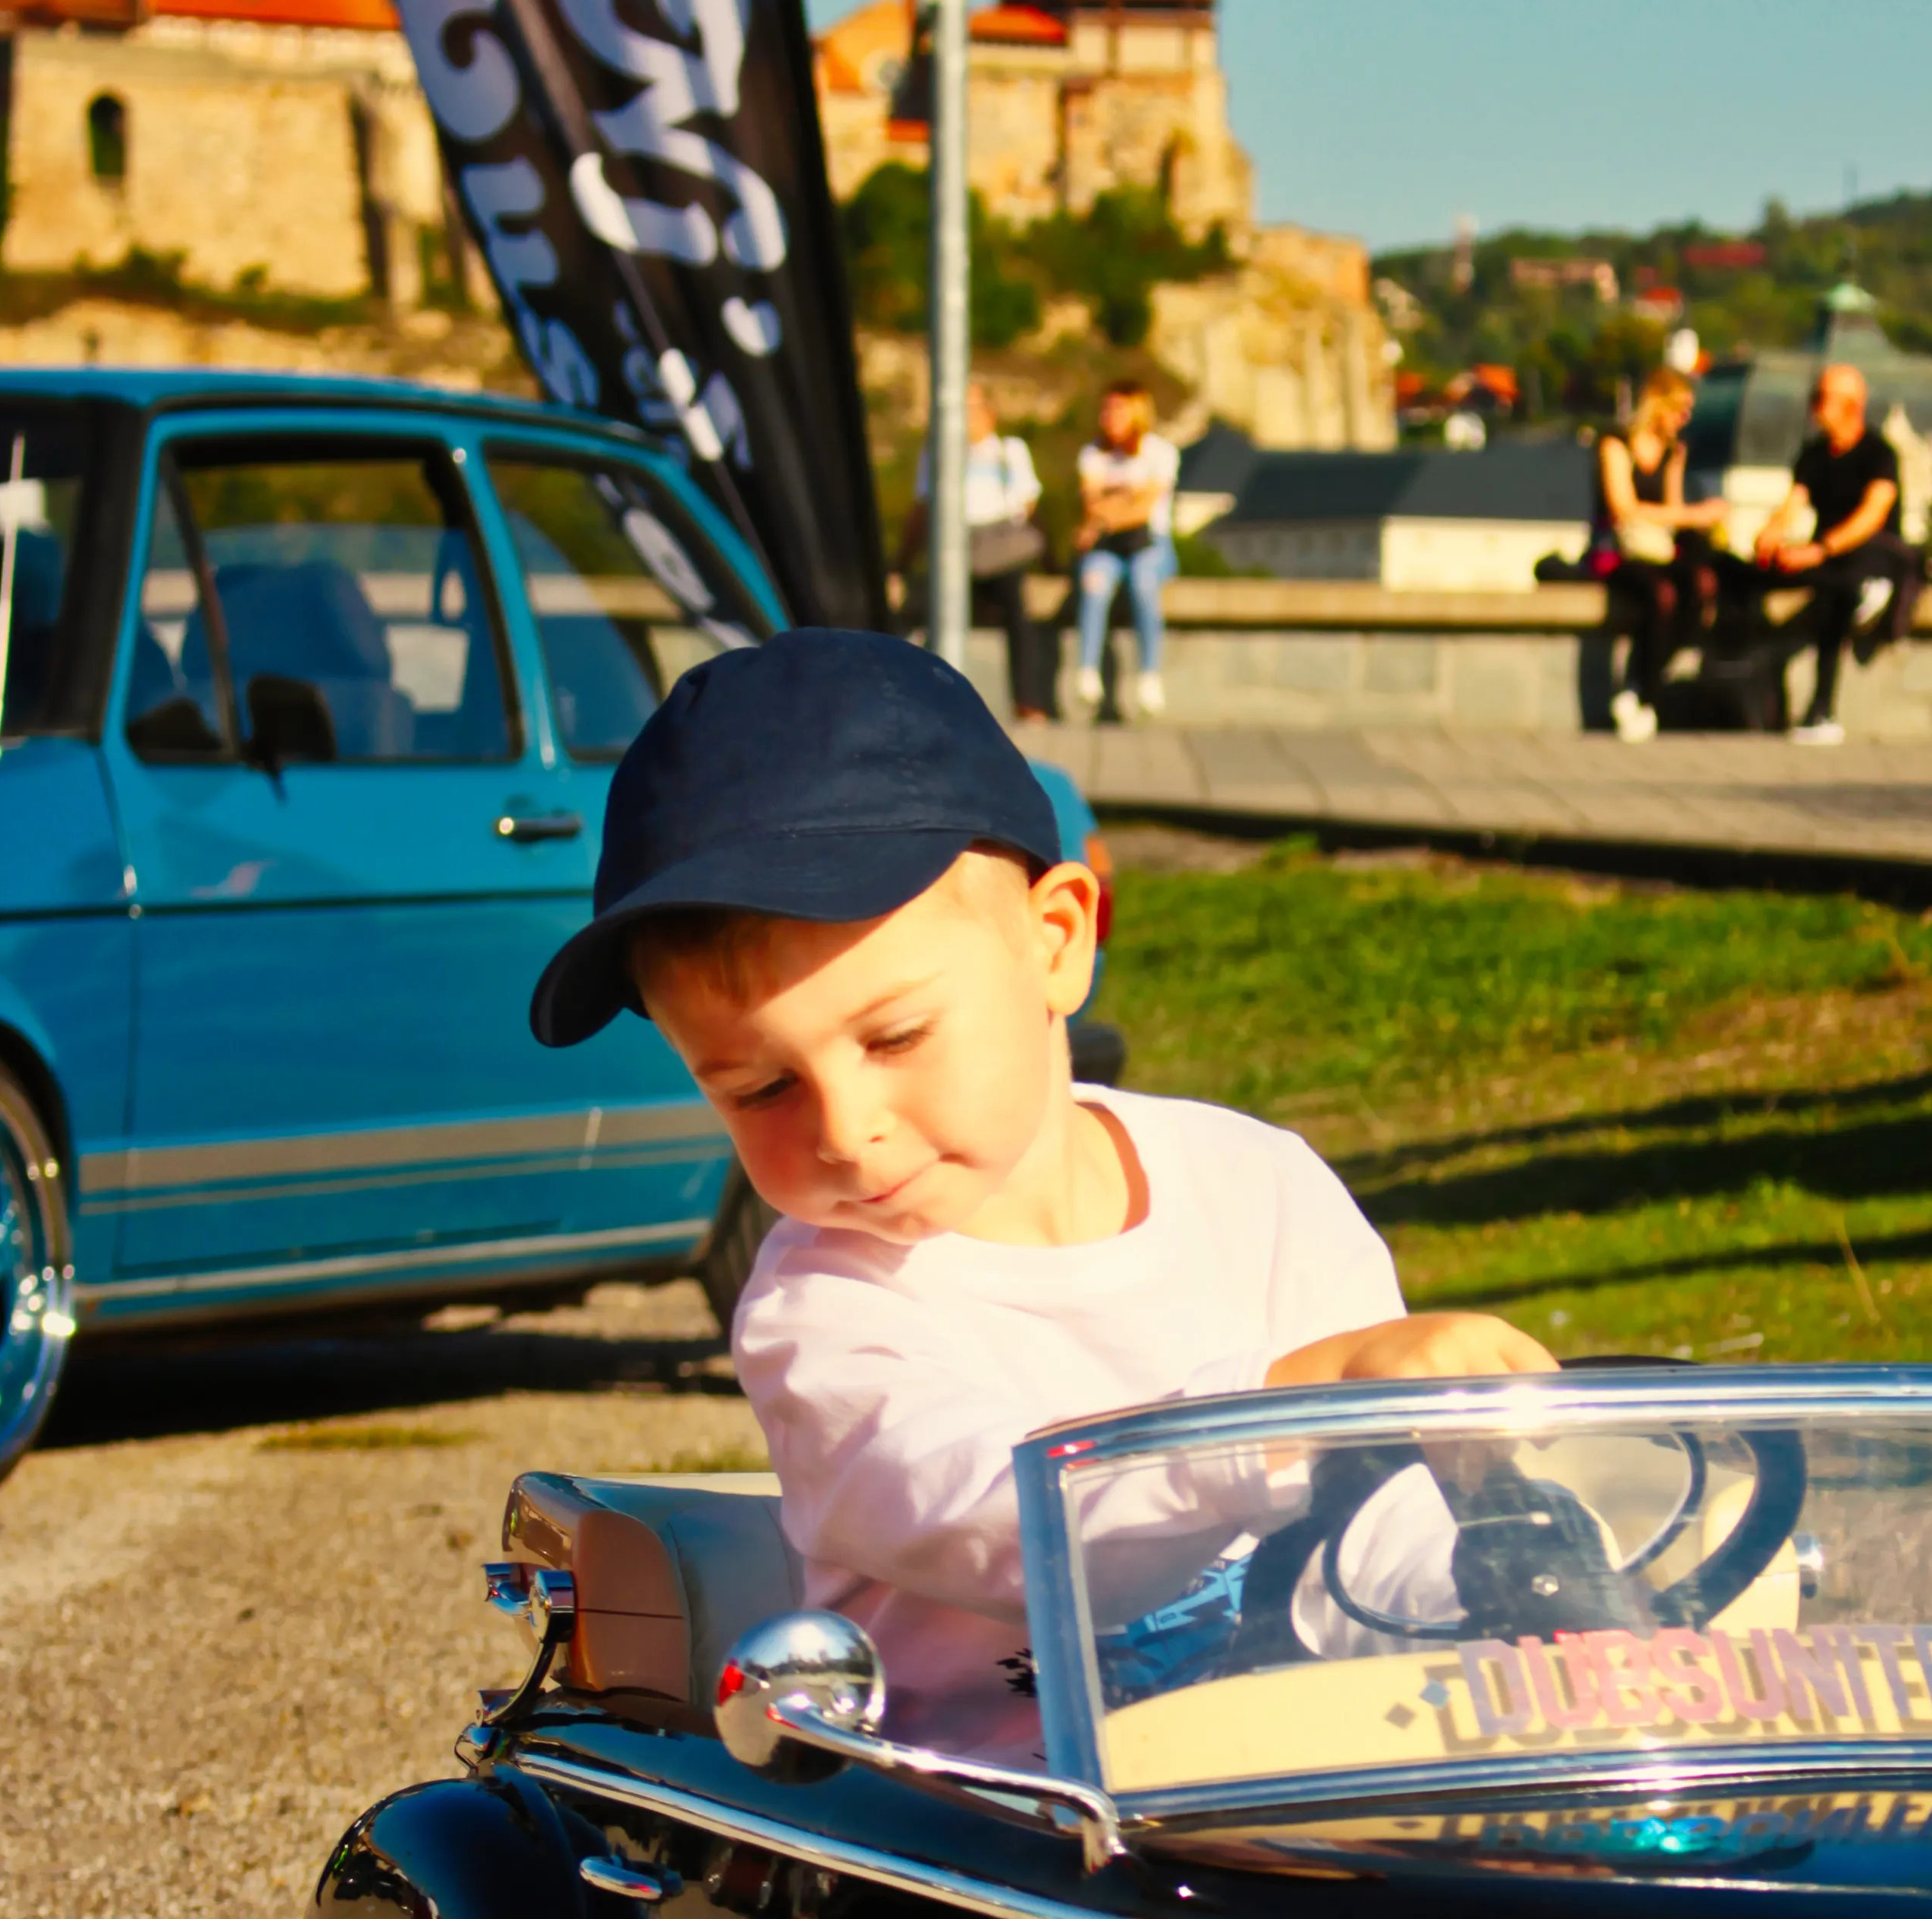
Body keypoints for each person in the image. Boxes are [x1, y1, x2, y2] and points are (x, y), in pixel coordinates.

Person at [526, 631, 1550, 1740]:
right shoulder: (823, 1318)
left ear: (1058, 943)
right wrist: (1291, 1408)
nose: (849, 1133)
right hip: (1002, 1827)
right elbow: (1005, 1522)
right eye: (760, 1088)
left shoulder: (1261, 1190)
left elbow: (1394, 1521)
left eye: (898, 1034)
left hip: (1308, 1770)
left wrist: (1529, 1605)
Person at [1750, 360, 1920, 745]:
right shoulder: (1813, 454)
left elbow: (1870, 518)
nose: (1814, 408)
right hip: (1830, 559)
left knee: (1836, 593)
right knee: (1744, 573)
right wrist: (1772, 535)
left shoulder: (1879, 453)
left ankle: (1822, 709)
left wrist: (1818, 550)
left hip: (1873, 554)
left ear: (1851, 406)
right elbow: (1793, 505)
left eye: (1821, 398)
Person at [1556, 365, 1729, 740]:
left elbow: (1671, 513)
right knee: (1661, 596)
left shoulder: (1672, 451)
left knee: (1699, 586)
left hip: (1656, 551)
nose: (1684, 418)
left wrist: (1701, 519)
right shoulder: (1616, 442)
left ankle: (1640, 689)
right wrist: (1692, 514)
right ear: (1658, 405)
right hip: (1617, 552)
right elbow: (1623, 508)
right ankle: (1641, 692)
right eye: (1679, 408)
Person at [906, 381, 1055, 730]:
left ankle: (1029, 702)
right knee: (939, 618)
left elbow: (1030, 504)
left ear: (990, 414)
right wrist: (902, 563)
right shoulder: (936, 451)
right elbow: (921, 509)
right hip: (955, 548)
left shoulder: (1009, 450)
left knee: (1019, 615)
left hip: (1001, 550)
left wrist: (1050, 559)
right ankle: (927, 698)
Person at [1072, 382, 1179, 720]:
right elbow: (1093, 506)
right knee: (1093, 582)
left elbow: (1144, 510)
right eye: (1107, 409)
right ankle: (1086, 670)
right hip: (1110, 545)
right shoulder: (1092, 454)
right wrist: (1123, 501)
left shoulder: (1159, 452)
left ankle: (1149, 674)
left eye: (1119, 409)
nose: (1110, 417)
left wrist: (1107, 509)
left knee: (1144, 582)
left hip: (1150, 541)